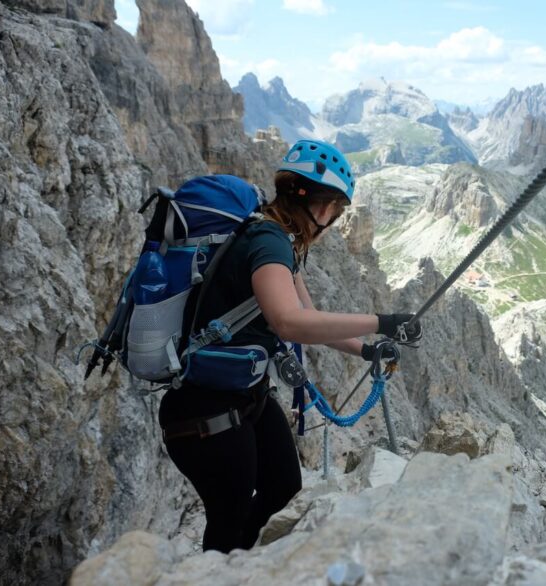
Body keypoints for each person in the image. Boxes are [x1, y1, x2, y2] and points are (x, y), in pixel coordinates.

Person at [158, 140, 422, 553]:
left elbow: (310, 314)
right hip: (204, 412)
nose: (333, 219)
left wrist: (368, 349)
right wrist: (383, 323)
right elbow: (289, 322)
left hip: (245, 399)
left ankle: (247, 569)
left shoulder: (278, 239)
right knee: (230, 519)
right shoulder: (268, 241)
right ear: (320, 207)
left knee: (283, 488)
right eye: (335, 208)